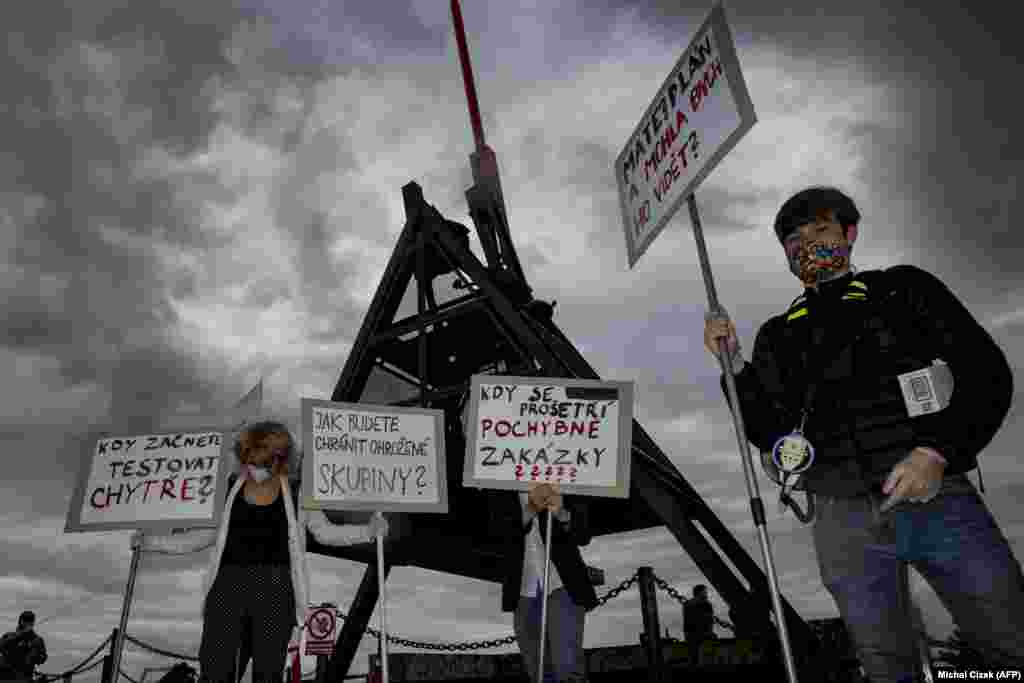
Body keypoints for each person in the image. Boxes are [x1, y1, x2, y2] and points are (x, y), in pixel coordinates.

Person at [703, 186, 1024, 681]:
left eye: (821, 230)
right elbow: (768, 432)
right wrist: (735, 366)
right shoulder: (777, 334)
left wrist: (937, 452)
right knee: (883, 664)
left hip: (934, 496)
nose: (806, 244)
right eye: (793, 239)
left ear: (850, 234)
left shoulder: (902, 290)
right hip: (840, 520)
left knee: (1009, 642)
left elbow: (988, 375)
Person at [132, 420, 389, 683]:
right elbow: (204, 536)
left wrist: (368, 531)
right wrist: (152, 542)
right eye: (250, 462)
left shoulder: (299, 494)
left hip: (276, 591)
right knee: (216, 670)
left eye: (264, 464)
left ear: (281, 459)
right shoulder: (229, 489)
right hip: (226, 589)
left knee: (268, 672)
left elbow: (325, 532)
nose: (256, 470)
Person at [497, 483, 598, 683]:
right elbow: (496, 534)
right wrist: (531, 508)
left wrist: (562, 513)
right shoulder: (498, 484)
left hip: (563, 584)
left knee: (568, 669)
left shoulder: (566, 477)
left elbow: (583, 535)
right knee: (538, 671)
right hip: (523, 589)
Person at [0, 612, 47, 682]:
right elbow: (1, 646)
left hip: (25, 677)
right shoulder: (8, 636)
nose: (28, 624)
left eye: (30, 621)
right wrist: (18, 636)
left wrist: (37, 657)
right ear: (20, 622)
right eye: (25, 621)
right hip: (6, 676)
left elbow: (43, 657)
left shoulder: (37, 640)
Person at [683, 585, 715, 663]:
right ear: (700, 592)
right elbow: (710, 621)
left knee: (693, 657)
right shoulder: (707, 604)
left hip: (691, 634)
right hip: (703, 634)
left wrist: (686, 634)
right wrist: (710, 632)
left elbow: (686, 621)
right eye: (705, 592)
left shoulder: (687, 604)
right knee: (705, 656)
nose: (706, 594)